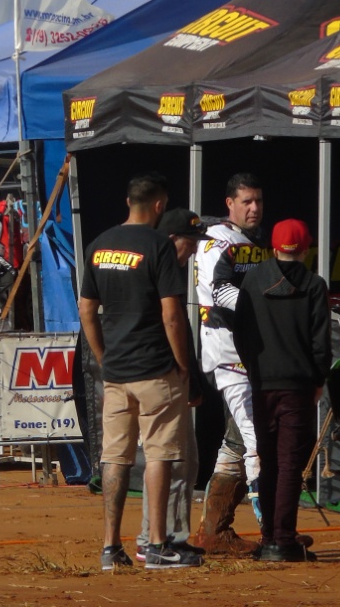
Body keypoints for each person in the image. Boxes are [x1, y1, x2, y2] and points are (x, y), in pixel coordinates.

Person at [79, 174, 202, 571]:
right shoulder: (158, 246)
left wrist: (103, 356)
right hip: (154, 368)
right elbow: (172, 315)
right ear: (159, 205)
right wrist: (184, 365)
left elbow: (86, 310)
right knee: (160, 454)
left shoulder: (99, 245)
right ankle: (158, 544)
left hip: (116, 371)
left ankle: (110, 548)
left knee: (114, 456)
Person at [234, 219, 331, 563]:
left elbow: (240, 334)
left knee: (269, 461)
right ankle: (284, 540)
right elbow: (321, 342)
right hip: (298, 387)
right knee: (290, 463)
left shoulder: (253, 279)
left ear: (274, 248)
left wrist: (255, 371)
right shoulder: (315, 285)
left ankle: (269, 537)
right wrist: (318, 379)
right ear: (306, 248)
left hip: (262, 384)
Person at [193, 173, 267, 556]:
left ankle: (214, 530)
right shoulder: (217, 242)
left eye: (258, 201)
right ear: (229, 203)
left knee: (237, 443)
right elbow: (218, 291)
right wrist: (269, 311)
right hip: (228, 353)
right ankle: (274, 534)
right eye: (246, 202)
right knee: (257, 440)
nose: (254, 208)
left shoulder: (249, 242)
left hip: (250, 353)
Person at [136, 208, 206, 562]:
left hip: (164, 373)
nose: (193, 251)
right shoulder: (159, 269)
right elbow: (172, 325)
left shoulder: (167, 268)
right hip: (162, 374)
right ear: (171, 239)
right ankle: (161, 539)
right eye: (189, 243)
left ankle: (162, 535)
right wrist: (183, 371)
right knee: (173, 460)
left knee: (180, 461)